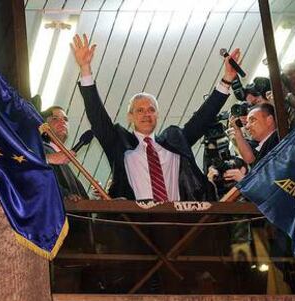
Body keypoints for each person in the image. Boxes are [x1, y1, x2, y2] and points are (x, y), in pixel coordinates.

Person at [71, 34, 240, 201]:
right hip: (134, 222)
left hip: (178, 222)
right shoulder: (119, 142)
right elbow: (97, 116)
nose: (146, 114)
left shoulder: (175, 140)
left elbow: (203, 118)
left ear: (157, 115)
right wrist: (85, 69)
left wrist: (227, 80)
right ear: (130, 117)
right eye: (140, 110)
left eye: (151, 110)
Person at [41, 106, 89, 202]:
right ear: (44, 126)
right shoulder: (40, 150)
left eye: (65, 119)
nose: (62, 122)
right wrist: (64, 194)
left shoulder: (63, 160)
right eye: (55, 118)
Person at [231, 103, 279, 167]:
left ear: (269, 120)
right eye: (247, 123)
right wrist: (237, 131)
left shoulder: (277, 140)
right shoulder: (259, 145)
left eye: (252, 120)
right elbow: (249, 159)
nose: (247, 127)